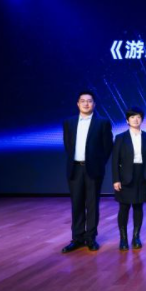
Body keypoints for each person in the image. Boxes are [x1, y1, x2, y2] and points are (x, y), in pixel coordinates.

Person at [61, 91, 113, 253]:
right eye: (82, 101)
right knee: (76, 204)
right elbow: (68, 145)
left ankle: (90, 238)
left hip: (93, 169)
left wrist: (98, 163)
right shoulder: (69, 123)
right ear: (78, 104)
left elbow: (107, 147)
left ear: (94, 104)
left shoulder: (102, 123)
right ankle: (77, 238)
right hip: (75, 168)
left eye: (89, 101)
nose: (86, 104)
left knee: (92, 204)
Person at [112, 107, 146, 250]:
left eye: (138, 117)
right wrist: (116, 179)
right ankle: (123, 239)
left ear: (142, 120)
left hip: (142, 174)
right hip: (125, 176)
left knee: (138, 206)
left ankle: (136, 237)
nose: (136, 119)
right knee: (124, 207)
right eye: (132, 117)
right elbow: (115, 160)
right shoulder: (120, 137)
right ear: (127, 120)